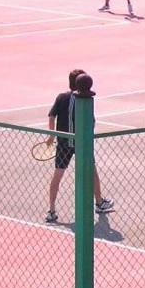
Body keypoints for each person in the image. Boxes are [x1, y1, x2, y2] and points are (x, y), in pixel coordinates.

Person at [45, 68, 114, 223]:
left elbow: (52, 115)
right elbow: (91, 121)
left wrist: (52, 134)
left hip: (63, 143)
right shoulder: (86, 100)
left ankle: (51, 210)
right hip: (82, 143)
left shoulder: (61, 97)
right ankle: (99, 203)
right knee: (92, 172)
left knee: (58, 174)